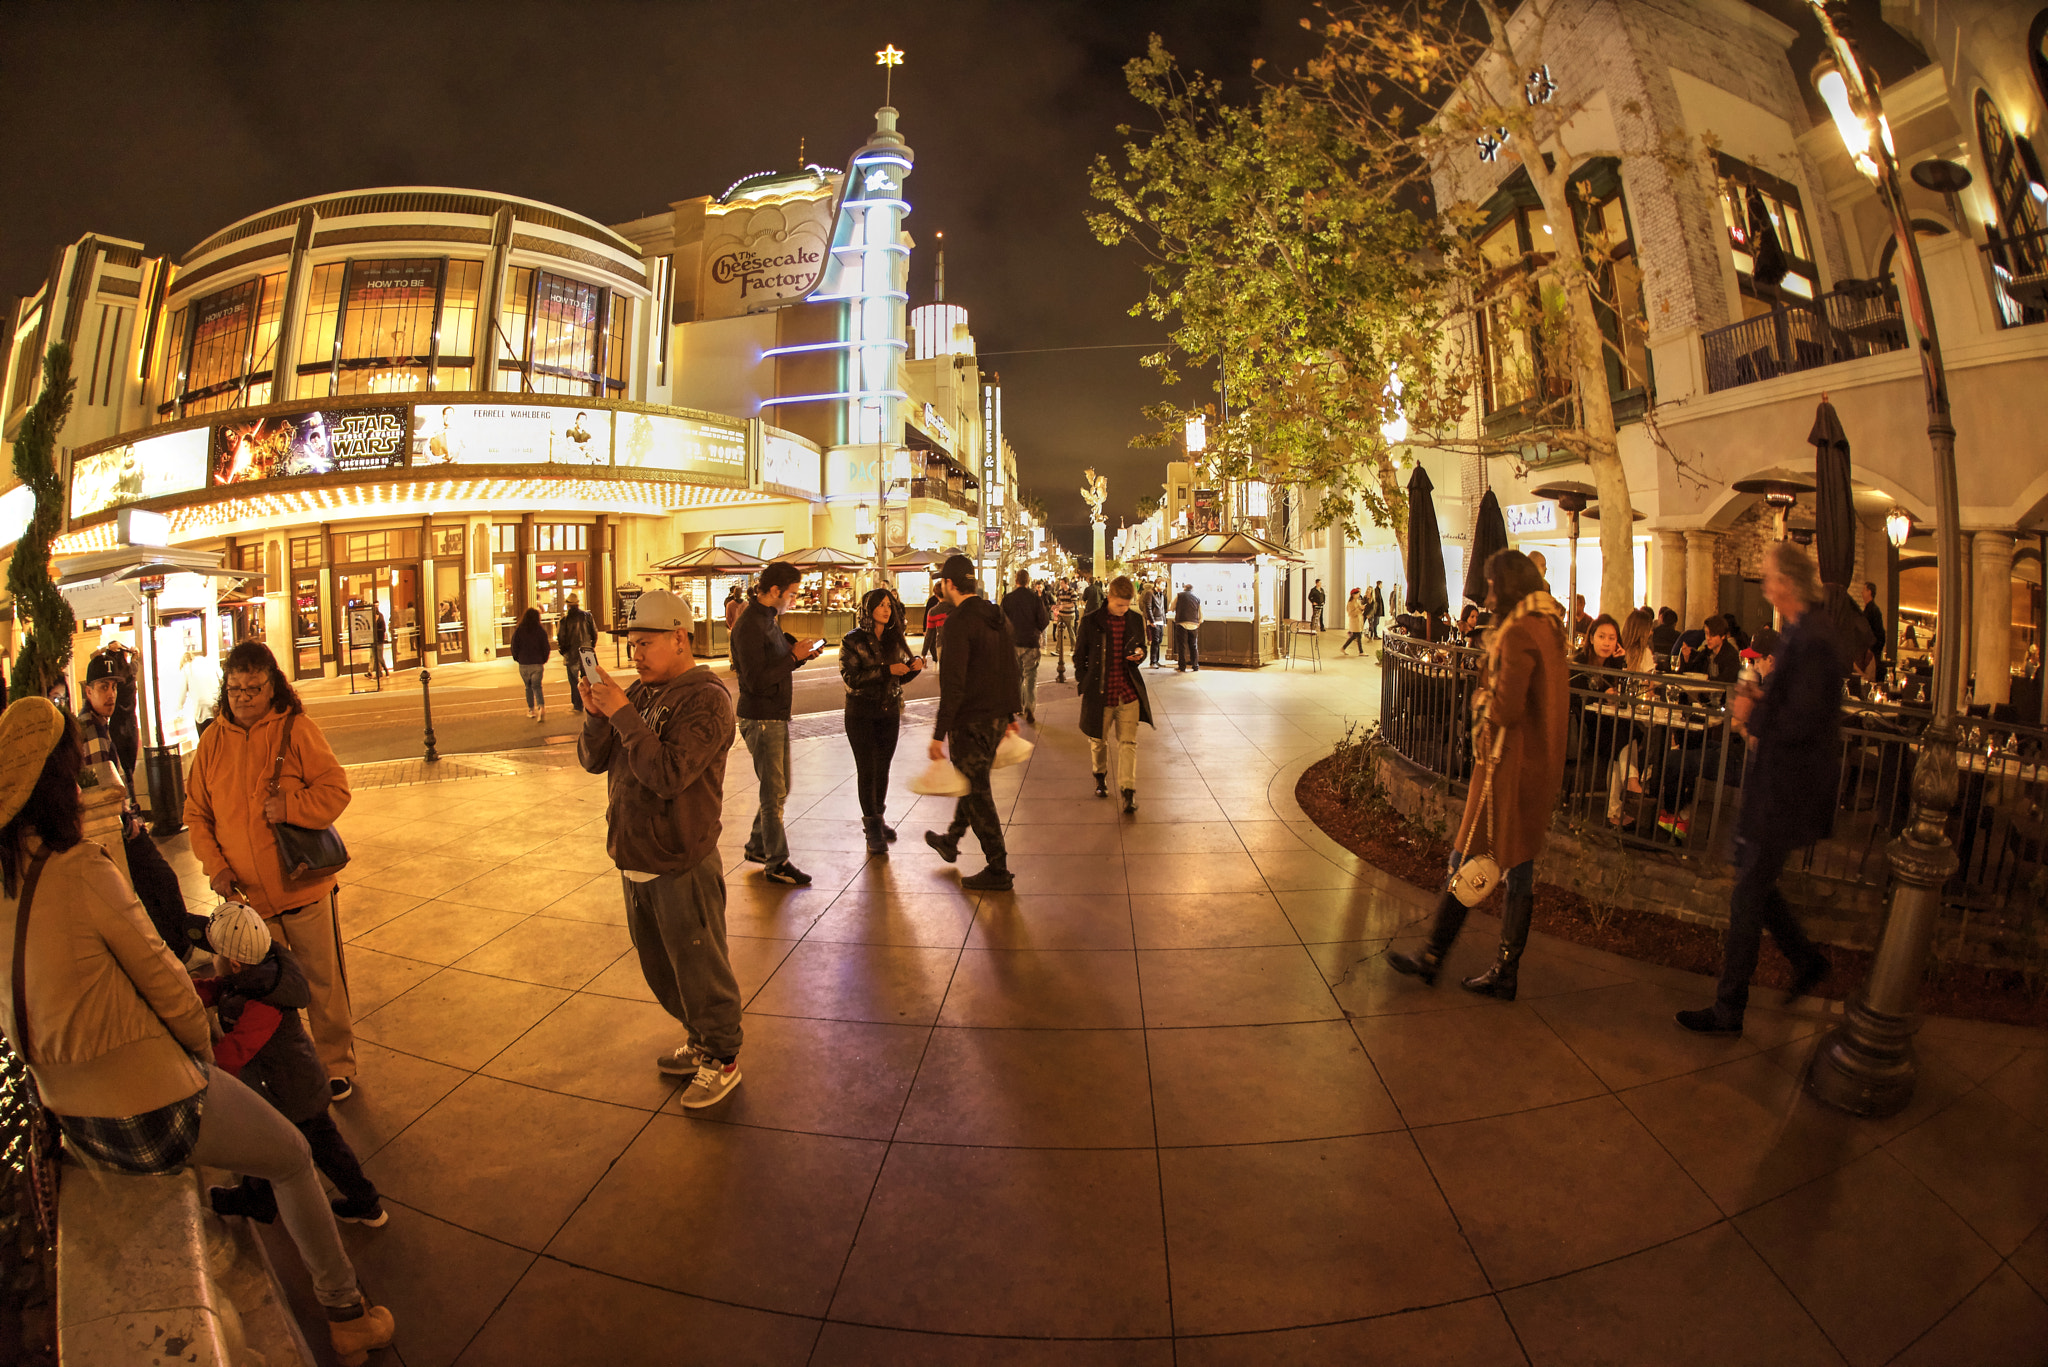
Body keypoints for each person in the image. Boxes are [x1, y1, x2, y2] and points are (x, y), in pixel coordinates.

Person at [0, 698, 394, 1360]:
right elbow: (174, 992)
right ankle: (345, 1308)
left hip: (72, 1119)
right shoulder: (82, 871)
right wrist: (205, 1054)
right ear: (57, 786)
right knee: (293, 1155)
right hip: (148, 1110)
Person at [577, 589, 747, 1107]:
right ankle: (700, 1039)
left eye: (646, 643)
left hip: (681, 859)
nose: (637, 655)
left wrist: (625, 713)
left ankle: (723, 1055)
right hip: (634, 854)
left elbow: (670, 775)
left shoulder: (707, 699)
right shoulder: (641, 693)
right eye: (631, 645)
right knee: (662, 967)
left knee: (700, 965)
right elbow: (592, 760)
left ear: (679, 638)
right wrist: (597, 715)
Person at [1388, 551, 1567, 999]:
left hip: (1507, 767)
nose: (1486, 594)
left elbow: (1505, 707)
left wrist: (1480, 697)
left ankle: (1434, 957)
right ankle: (1499, 967)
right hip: (1534, 766)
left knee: (1465, 856)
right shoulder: (1548, 626)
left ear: (1505, 588)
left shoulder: (1518, 632)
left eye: (1490, 585)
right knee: (1519, 867)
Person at [1678, 543, 1837, 1035]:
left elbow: (1803, 719)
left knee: (1747, 896)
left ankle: (1730, 1009)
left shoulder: (1812, 638)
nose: (1764, 585)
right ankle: (1807, 961)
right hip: (1778, 786)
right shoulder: (1800, 634)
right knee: (1758, 889)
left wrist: (1753, 712)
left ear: (1787, 583)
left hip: (1788, 791)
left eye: (1768, 577)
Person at [187, 642, 357, 1100]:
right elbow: (197, 814)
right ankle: (284, 1069)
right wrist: (217, 868)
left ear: (272, 685)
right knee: (262, 994)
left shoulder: (296, 730)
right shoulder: (211, 743)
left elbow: (336, 791)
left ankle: (335, 1063)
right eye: (234, 688)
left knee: (323, 982)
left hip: (302, 887)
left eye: (253, 688)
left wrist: (290, 806)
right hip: (246, 902)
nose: (242, 697)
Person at [195, 902, 385, 1228]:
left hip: (291, 1095)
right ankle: (363, 1203)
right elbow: (222, 987)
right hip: (294, 1085)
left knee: (292, 1147)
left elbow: (235, 1053)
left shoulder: (262, 1002)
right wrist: (186, 992)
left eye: (218, 955)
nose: (215, 961)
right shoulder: (262, 971)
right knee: (321, 1148)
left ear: (235, 962)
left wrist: (200, 1071)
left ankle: (361, 1202)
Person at [78, 655, 194, 959]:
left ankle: (173, 949)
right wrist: (130, 824)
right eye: (102, 687)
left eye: (114, 687)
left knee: (149, 889)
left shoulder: (99, 725)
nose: (110, 694)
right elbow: (105, 789)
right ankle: (180, 949)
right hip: (122, 832)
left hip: (122, 827)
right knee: (162, 882)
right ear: (87, 692)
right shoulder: (90, 729)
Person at [923, 555, 1022, 892]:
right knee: (971, 781)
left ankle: (998, 867)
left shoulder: (958, 622)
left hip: (970, 721)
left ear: (949, 585)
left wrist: (939, 734)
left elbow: (953, 684)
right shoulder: (996, 616)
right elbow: (1011, 667)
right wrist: (1009, 715)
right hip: (994, 719)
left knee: (977, 792)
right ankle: (951, 839)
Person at [730, 561, 824, 886]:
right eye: (793, 594)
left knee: (780, 789)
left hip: (775, 715)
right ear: (774, 591)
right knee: (774, 793)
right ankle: (777, 861)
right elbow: (756, 681)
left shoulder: (768, 620)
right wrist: (794, 657)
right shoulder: (750, 626)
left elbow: (776, 668)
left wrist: (798, 656)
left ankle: (759, 845)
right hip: (761, 717)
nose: (795, 600)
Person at [841, 588, 923, 855]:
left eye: (889, 605)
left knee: (883, 768)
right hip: (861, 713)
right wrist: (887, 670)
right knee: (867, 769)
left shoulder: (893, 639)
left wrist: (912, 669)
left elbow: (899, 678)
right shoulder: (852, 640)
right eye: (881, 605)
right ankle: (872, 827)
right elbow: (852, 678)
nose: (886, 610)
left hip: (889, 712)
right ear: (868, 609)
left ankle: (879, 817)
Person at [1075, 575, 1154, 813]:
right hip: (1101, 693)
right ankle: (1100, 776)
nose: (1123, 609)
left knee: (1128, 743)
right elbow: (1080, 657)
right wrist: (1084, 680)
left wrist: (1139, 654)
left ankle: (1128, 791)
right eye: (1119, 604)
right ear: (1109, 597)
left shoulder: (1134, 619)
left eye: (1127, 605)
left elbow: (1142, 647)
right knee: (1098, 741)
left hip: (1127, 693)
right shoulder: (1091, 622)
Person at [1001, 569, 1050, 725]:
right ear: (1028, 581)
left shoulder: (1008, 599)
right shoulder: (1035, 599)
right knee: (1031, 677)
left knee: (1016, 675)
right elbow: (1044, 621)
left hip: (1013, 643)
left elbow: (1001, 620)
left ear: (1016, 580)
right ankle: (1030, 707)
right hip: (1030, 642)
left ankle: (1018, 706)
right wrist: (1036, 631)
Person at [558, 592, 597, 715]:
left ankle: (577, 705)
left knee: (574, 681)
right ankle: (593, 702)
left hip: (572, 654)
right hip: (586, 652)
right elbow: (594, 633)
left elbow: (561, 638)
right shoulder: (587, 616)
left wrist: (563, 651)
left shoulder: (564, 620)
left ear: (568, 605)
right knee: (589, 678)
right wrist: (590, 646)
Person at [511, 606, 551, 722]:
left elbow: (514, 646)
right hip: (537, 663)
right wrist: (543, 659)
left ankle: (531, 710)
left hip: (524, 663)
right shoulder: (540, 631)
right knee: (537, 686)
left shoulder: (519, 630)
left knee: (528, 687)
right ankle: (541, 706)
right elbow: (546, 647)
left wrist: (517, 658)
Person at [1172, 582, 1203, 671]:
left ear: (1184, 589)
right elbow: (1200, 612)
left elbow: (1171, 607)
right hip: (1193, 624)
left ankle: (1182, 667)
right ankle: (1195, 665)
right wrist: (1199, 621)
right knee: (1193, 645)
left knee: (1182, 646)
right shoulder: (1197, 598)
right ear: (1192, 590)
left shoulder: (1179, 595)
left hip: (1182, 623)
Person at [1140, 579, 1168, 668]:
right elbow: (1148, 607)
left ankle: (1157, 660)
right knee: (1155, 641)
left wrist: (1164, 621)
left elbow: (1162, 608)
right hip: (1154, 620)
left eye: (1164, 585)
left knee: (1159, 640)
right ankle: (1153, 661)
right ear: (1157, 584)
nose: (1164, 587)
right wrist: (1151, 621)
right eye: (1162, 585)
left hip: (1160, 620)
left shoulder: (1161, 595)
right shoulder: (1150, 593)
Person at [1860, 581, 1888, 666]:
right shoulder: (1868, 610)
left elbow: (1879, 634)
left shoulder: (1874, 610)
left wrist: (1871, 650)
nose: (1862, 592)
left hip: (1870, 654)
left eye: (1864, 590)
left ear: (1869, 592)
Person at [922, 586, 951, 662]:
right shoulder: (956, 607)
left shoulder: (933, 612)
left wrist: (924, 653)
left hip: (940, 645)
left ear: (936, 595)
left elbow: (929, 635)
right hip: (956, 644)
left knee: (943, 671)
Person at [1341, 588, 1366, 653]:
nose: (1358, 595)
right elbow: (1351, 613)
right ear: (1353, 595)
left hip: (1359, 621)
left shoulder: (1358, 601)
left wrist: (1362, 609)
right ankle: (1361, 652)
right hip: (1355, 622)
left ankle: (1343, 648)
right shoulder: (1350, 603)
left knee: (1354, 636)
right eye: (1357, 594)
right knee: (1358, 636)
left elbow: (1359, 609)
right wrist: (1359, 609)